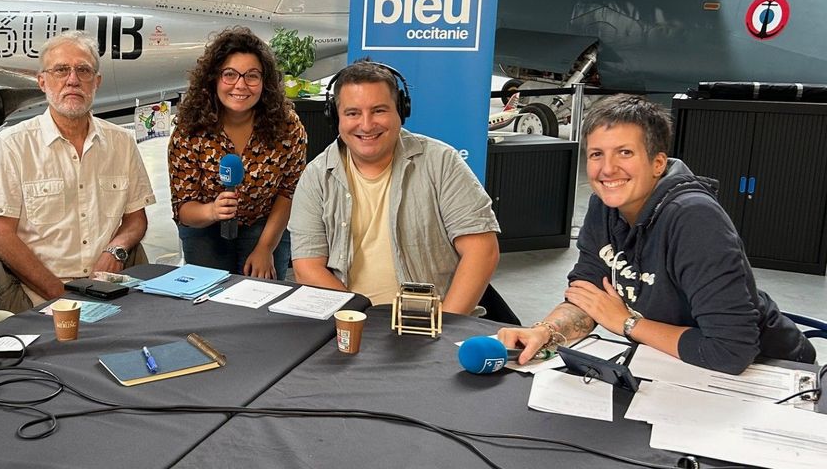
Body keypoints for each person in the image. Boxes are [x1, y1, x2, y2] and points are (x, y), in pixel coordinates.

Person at [497, 95, 815, 374]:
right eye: (596, 154)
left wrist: (627, 324)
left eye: (624, 153)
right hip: (676, 359)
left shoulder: (694, 219)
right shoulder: (604, 206)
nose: (606, 170)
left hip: (769, 372)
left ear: (658, 163)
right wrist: (546, 332)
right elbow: (588, 294)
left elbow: (731, 351)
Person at [289, 60, 500, 312]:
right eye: (353, 113)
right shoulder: (316, 175)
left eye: (379, 110)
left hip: (432, 323)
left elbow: (482, 251)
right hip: (350, 321)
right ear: (335, 117)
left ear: (401, 110)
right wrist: (359, 320)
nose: (366, 125)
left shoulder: (442, 162)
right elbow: (307, 266)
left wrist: (443, 328)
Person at [0, 31, 156, 312]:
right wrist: (62, 296)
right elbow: (0, 236)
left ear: (96, 82)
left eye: (83, 70)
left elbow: (136, 220)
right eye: (61, 70)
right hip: (37, 297)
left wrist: (116, 249)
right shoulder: (12, 145)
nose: (73, 79)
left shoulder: (121, 143)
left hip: (111, 289)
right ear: (42, 81)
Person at [168, 27, 307, 278]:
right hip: (204, 227)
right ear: (213, 78)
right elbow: (183, 208)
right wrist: (211, 211)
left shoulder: (287, 127)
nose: (240, 85)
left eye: (252, 76)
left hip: (265, 225)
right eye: (229, 74)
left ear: (265, 82)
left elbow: (289, 193)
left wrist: (265, 248)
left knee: (263, 298)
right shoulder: (189, 129)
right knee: (207, 302)